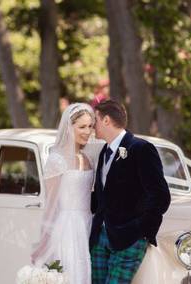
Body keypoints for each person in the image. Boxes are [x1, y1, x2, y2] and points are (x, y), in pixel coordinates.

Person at [90, 100, 171, 284]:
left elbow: (160, 197)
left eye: (95, 120)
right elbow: (104, 197)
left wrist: (140, 231)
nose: (92, 126)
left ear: (106, 120)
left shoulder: (140, 148)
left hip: (129, 239)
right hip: (100, 238)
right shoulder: (105, 151)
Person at [31, 103, 99, 284]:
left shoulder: (88, 159)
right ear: (69, 128)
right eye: (82, 127)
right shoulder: (56, 160)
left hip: (88, 225)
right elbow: (51, 204)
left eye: (90, 126)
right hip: (66, 228)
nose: (87, 131)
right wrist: (43, 242)